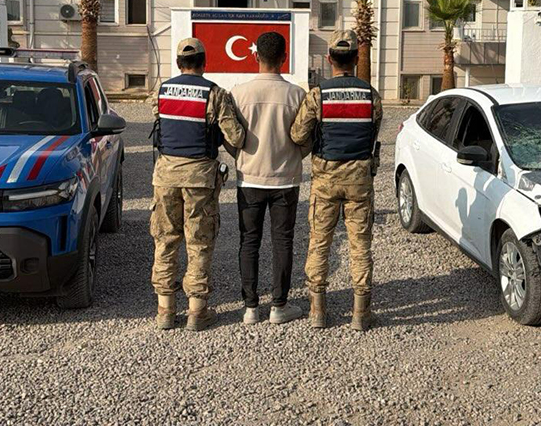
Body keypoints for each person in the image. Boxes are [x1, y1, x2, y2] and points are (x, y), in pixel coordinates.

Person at [150, 37, 246, 331]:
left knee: (165, 240)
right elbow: (236, 137)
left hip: (165, 175)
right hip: (200, 178)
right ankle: (197, 311)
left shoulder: (161, 91)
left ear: (179, 64)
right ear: (204, 63)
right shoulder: (215, 94)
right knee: (199, 242)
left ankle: (165, 310)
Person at [290, 29, 383, 331]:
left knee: (319, 242)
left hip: (326, 178)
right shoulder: (371, 96)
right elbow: (374, 130)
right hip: (359, 178)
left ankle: (318, 312)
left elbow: (297, 134)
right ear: (357, 58)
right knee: (360, 245)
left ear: (329, 58)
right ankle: (361, 313)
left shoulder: (318, 95)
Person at [228, 32, 310, 325]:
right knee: (282, 242)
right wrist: (295, 156)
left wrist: (238, 157)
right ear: (284, 58)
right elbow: (306, 137)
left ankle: (250, 307)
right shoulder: (297, 95)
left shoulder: (238, 93)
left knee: (249, 241)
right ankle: (279, 305)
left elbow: (230, 136)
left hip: (249, 179)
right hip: (285, 180)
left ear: (255, 56)